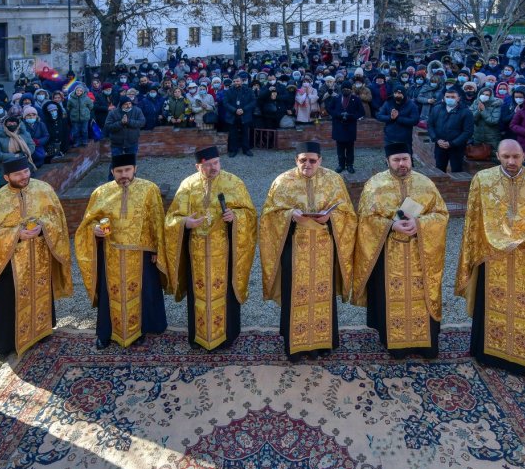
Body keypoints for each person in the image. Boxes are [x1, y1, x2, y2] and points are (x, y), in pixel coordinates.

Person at [456, 139, 525, 377]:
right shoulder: (482, 180)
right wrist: (472, 253)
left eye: (516, 156)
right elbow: (473, 220)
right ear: (497, 155)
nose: (511, 161)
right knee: (490, 303)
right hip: (492, 256)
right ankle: (486, 352)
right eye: (506, 156)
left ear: (524, 156)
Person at [258, 142, 357, 360]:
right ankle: (295, 345)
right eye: (303, 160)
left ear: (320, 160)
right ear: (296, 160)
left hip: (324, 248)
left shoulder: (334, 180)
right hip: (295, 249)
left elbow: (348, 214)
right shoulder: (282, 182)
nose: (308, 164)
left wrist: (331, 217)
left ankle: (323, 343)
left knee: (323, 292)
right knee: (295, 294)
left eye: (313, 160)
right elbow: (267, 216)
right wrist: (290, 215)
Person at [352, 143, 449, 358]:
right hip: (389, 255)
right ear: (387, 161)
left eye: (405, 159)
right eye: (396, 160)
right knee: (390, 297)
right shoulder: (375, 185)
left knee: (422, 296)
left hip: (420, 254)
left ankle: (425, 344)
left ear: (411, 159)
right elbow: (366, 219)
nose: (401, 164)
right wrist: (391, 225)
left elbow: (442, 214)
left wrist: (421, 224)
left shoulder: (426, 184)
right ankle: (396, 345)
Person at [0, 157, 72, 358]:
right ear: (6, 177)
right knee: (8, 299)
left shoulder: (44, 190)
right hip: (10, 262)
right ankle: (5, 343)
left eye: (26, 171)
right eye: (18, 174)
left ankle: (40, 331)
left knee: (41, 290)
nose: (24, 176)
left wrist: (43, 227)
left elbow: (57, 219)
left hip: (40, 256)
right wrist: (16, 234)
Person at [163, 146, 257, 350]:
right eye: (207, 165)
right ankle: (199, 336)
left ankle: (227, 335)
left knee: (225, 293)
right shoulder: (187, 185)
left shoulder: (233, 182)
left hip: (224, 250)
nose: (213, 168)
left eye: (216, 163)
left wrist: (235, 218)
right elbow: (171, 218)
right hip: (195, 253)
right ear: (198, 166)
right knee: (198, 294)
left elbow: (250, 214)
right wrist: (185, 223)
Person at [75, 153, 167, 349]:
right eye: (119, 171)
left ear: (135, 169)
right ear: (112, 172)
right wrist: (95, 230)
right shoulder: (101, 193)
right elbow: (88, 222)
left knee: (142, 292)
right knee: (110, 294)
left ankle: (139, 330)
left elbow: (157, 221)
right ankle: (106, 332)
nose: (123, 174)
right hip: (111, 254)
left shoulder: (149, 189)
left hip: (140, 253)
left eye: (127, 170)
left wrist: (158, 249)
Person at [427, 87, 475, 173]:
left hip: (457, 147)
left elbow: (468, 132)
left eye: (453, 97)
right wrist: (436, 139)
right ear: (444, 98)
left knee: (456, 171)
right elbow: (430, 125)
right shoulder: (437, 109)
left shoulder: (466, 112)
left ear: (458, 98)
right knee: (439, 170)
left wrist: (452, 143)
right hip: (440, 146)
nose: (450, 99)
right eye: (448, 97)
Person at [326, 84, 366, 173]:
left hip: (350, 127)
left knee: (350, 149)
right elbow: (329, 109)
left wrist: (352, 116)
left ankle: (350, 165)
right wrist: (337, 115)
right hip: (338, 126)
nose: (346, 90)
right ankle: (341, 165)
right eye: (344, 88)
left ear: (351, 90)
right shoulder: (336, 98)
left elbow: (362, 112)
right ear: (341, 89)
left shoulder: (356, 99)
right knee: (340, 149)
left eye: (348, 88)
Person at [223, 73, 256, 157]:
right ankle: (233, 150)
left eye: (237, 81)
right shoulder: (228, 91)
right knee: (233, 134)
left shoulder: (248, 90)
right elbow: (225, 103)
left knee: (245, 133)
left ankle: (246, 149)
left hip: (245, 115)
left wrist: (243, 109)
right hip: (232, 115)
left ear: (241, 81)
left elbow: (253, 102)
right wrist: (235, 110)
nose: (236, 83)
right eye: (234, 81)